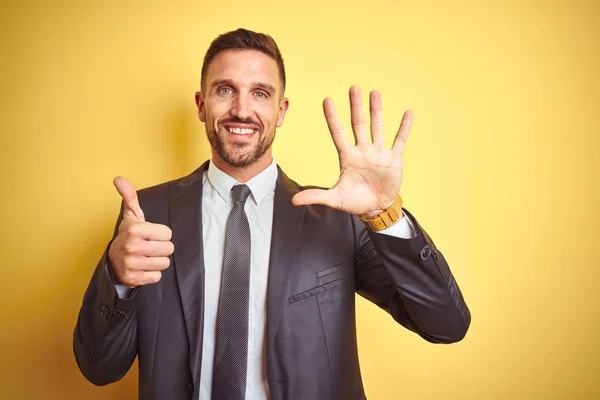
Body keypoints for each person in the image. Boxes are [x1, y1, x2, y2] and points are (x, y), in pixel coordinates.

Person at [73, 28, 470, 400]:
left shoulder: (337, 220)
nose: (241, 110)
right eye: (225, 90)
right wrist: (117, 277)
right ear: (201, 104)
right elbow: (99, 368)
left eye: (260, 93)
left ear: (281, 110)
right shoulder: (147, 214)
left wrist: (386, 213)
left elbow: (446, 325)